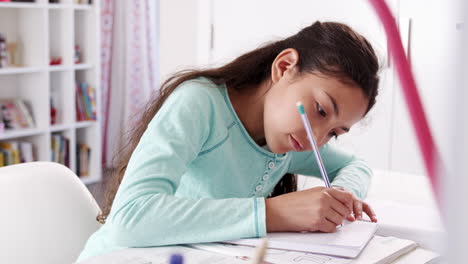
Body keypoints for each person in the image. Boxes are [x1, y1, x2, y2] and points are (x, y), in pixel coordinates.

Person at [77, 21, 380, 262]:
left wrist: (341, 197)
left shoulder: (291, 142)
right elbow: (131, 217)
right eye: (320, 110)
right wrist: (274, 212)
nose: (317, 137)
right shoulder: (200, 104)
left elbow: (356, 165)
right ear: (284, 67)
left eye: (334, 133)